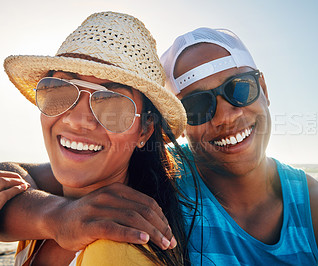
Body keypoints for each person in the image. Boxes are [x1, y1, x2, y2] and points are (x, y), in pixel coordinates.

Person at [0, 27, 318, 265]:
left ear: (263, 89)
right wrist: (55, 216)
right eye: (198, 106)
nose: (226, 115)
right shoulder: (162, 179)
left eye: (239, 89)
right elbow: (20, 177)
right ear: (176, 127)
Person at [1, 11, 194, 265]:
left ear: (145, 130)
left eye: (113, 102)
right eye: (60, 88)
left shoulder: (118, 252)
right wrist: (55, 215)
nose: (78, 119)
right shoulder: (46, 210)